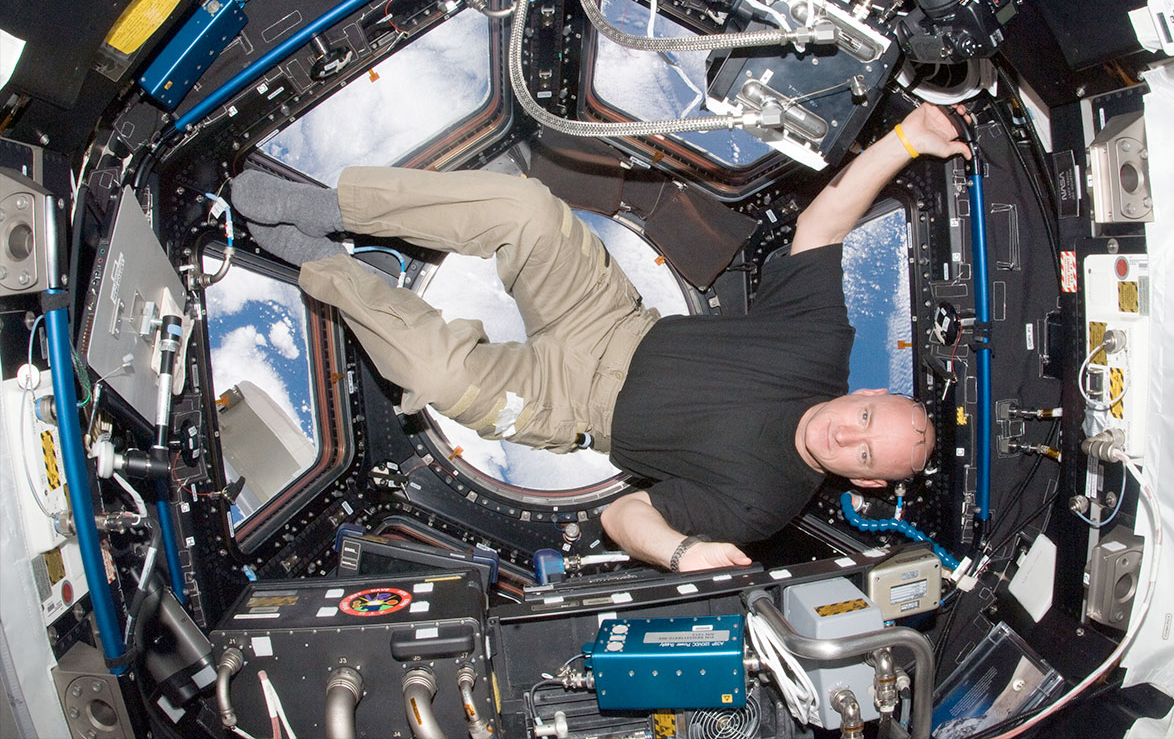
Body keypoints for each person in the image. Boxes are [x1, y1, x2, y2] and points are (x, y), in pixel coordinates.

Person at [231, 101, 970, 573]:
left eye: (868, 455)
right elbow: (824, 225)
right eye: (869, 417)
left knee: (438, 376)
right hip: (609, 318)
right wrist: (908, 139)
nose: (851, 436)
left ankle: (325, 266)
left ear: (865, 480)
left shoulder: (764, 502)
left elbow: (623, 515)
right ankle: (331, 206)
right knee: (526, 208)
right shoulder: (817, 345)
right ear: (869, 392)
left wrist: (683, 554)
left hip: (573, 408)